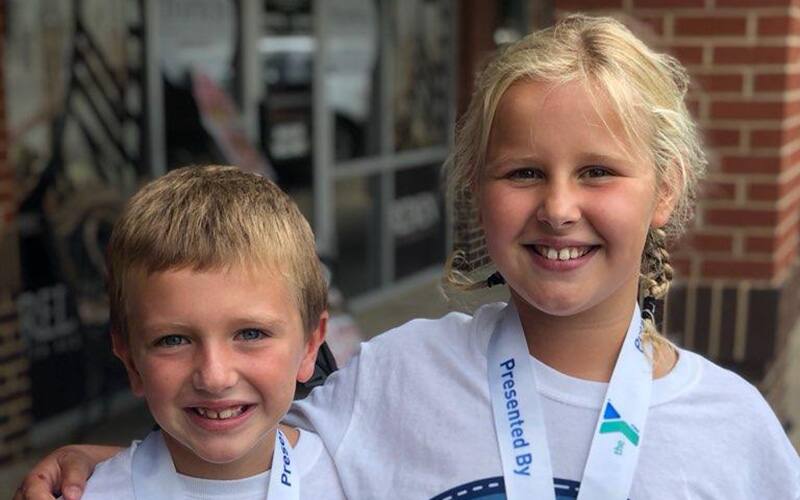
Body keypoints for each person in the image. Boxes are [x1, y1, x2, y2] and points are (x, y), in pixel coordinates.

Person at [17, 15, 800, 500]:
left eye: (597, 171)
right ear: (476, 190)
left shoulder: (736, 430)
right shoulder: (393, 379)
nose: (559, 206)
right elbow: (234, 450)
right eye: (523, 171)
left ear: (665, 190)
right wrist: (111, 468)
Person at [55, 165, 346, 499]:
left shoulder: (359, 480)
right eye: (173, 340)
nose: (214, 377)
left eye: (251, 334)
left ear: (310, 345)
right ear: (131, 361)